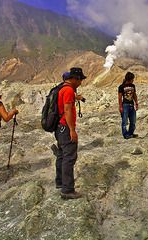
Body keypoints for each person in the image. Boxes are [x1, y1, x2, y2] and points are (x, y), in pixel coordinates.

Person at [55, 67, 86, 200]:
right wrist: (72, 130)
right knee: (69, 157)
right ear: (74, 78)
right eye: (80, 80)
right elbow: (67, 110)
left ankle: (60, 182)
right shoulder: (68, 90)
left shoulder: (62, 88)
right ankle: (67, 190)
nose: (80, 83)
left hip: (59, 127)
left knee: (61, 155)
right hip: (65, 128)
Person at [118, 72, 139, 139]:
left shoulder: (133, 86)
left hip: (131, 105)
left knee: (133, 121)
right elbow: (119, 97)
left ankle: (130, 133)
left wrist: (136, 103)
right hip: (125, 105)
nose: (133, 80)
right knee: (124, 121)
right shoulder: (121, 87)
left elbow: (134, 95)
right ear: (129, 79)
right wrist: (120, 106)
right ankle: (125, 135)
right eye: (132, 79)